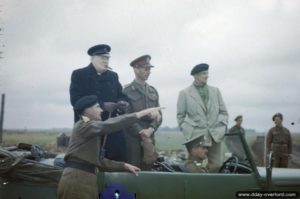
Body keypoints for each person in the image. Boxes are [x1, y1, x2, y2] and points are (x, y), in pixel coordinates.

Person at [57, 95, 162, 199]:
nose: (101, 110)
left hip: (85, 179)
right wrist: (142, 113)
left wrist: (124, 165)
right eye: (98, 107)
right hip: (77, 181)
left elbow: (98, 161)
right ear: (87, 110)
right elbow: (109, 125)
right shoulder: (83, 126)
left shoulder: (89, 128)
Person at [69, 44, 129, 161]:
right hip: (90, 130)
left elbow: (121, 95)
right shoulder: (79, 75)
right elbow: (75, 101)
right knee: (89, 162)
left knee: (116, 161)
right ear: (92, 58)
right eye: (102, 58)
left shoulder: (113, 76)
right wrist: (102, 105)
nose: (105, 61)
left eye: (107, 58)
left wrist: (122, 102)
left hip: (112, 130)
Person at [177, 63, 228, 172]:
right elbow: (180, 117)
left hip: (214, 135)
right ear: (196, 76)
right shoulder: (185, 93)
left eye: (207, 73)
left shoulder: (215, 91)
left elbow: (224, 113)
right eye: (204, 73)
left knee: (217, 165)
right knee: (195, 166)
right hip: (196, 137)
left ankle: (211, 187)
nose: (206, 76)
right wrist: (189, 132)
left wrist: (221, 128)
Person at [123, 55, 162, 170]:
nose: (148, 72)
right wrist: (140, 132)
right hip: (133, 138)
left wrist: (150, 129)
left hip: (149, 137)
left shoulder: (153, 91)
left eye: (149, 69)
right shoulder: (126, 91)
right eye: (145, 69)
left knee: (148, 168)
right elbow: (125, 116)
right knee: (133, 169)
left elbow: (159, 116)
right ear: (135, 69)